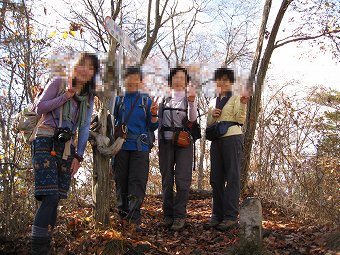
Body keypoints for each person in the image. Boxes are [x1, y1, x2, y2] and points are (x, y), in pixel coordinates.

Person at [30, 52, 99, 254]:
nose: (85, 69)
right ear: (75, 65)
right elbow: (39, 107)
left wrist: (79, 156)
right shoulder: (59, 81)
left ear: (94, 73)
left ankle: (44, 245)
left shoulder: (88, 97)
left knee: (56, 197)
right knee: (49, 195)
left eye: (91, 67)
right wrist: (65, 97)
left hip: (67, 146)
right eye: (82, 64)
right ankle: (38, 250)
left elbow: (85, 127)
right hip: (45, 140)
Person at [113, 66, 158, 228]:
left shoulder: (146, 100)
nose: (132, 82)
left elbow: (152, 127)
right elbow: (112, 121)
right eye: (128, 79)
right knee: (121, 181)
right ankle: (122, 215)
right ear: (124, 80)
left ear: (140, 81)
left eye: (135, 79)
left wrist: (153, 115)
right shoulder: (118, 99)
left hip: (140, 147)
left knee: (137, 182)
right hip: (121, 147)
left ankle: (134, 218)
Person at [206, 67, 249, 231]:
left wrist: (243, 104)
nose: (222, 83)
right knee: (216, 179)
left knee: (232, 176)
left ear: (231, 82)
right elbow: (209, 123)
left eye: (225, 80)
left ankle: (231, 216)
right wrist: (213, 115)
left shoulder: (237, 96)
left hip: (232, 137)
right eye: (219, 80)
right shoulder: (213, 100)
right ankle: (217, 215)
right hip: (216, 140)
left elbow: (240, 119)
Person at [158, 67, 197, 231]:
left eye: (182, 77)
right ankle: (167, 215)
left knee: (182, 179)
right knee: (167, 179)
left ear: (186, 81)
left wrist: (191, 102)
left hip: (184, 143)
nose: (179, 80)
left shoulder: (190, 97)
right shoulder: (163, 98)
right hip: (165, 142)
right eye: (176, 77)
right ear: (171, 80)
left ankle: (180, 215)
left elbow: (193, 119)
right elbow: (158, 120)